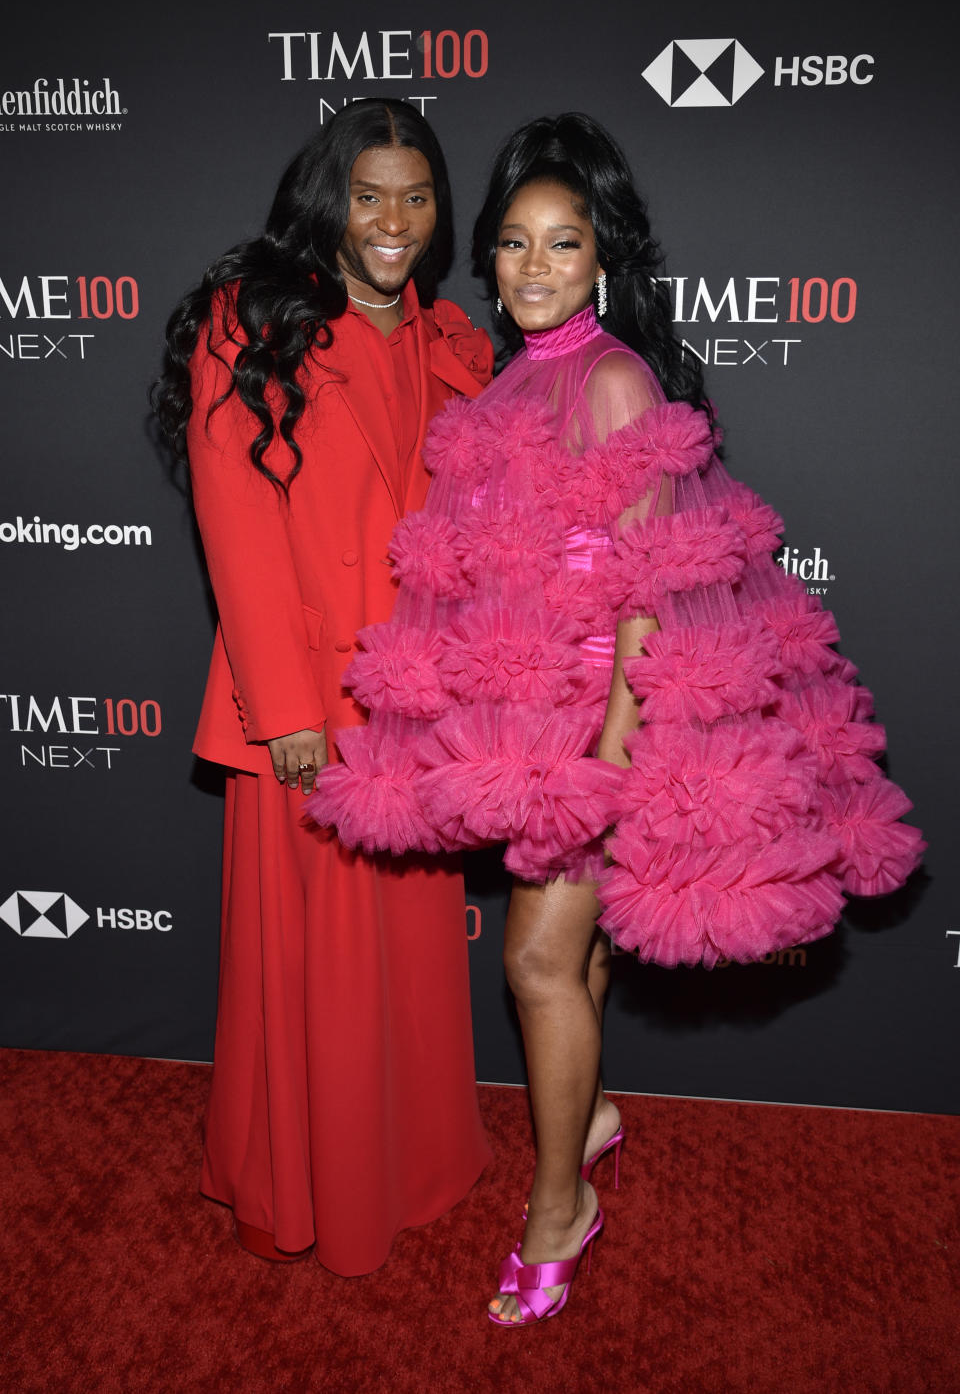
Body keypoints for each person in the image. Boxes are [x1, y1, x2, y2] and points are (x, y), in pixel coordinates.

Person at [307, 112, 925, 1320]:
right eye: (516, 244)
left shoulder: (611, 376)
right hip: (546, 725)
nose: (535, 267)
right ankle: (588, 1116)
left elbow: (649, 586)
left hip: (613, 726)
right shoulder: (512, 379)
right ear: (487, 256)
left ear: (603, 260)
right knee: (572, 955)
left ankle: (558, 1208)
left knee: (536, 958)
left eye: (566, 244)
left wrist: (606, 751)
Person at [151, 99, 493, 1276]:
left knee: (404, 958)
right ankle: (309, 1186)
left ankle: (410, 1167)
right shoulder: (253, 325)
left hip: (422, 710)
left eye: (416, 196)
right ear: (325, 197)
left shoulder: (448, 340)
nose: (393, 221)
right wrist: (286, 709)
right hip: (312, 712)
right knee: (321, 971)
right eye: (368, 194)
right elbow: (235, 528)